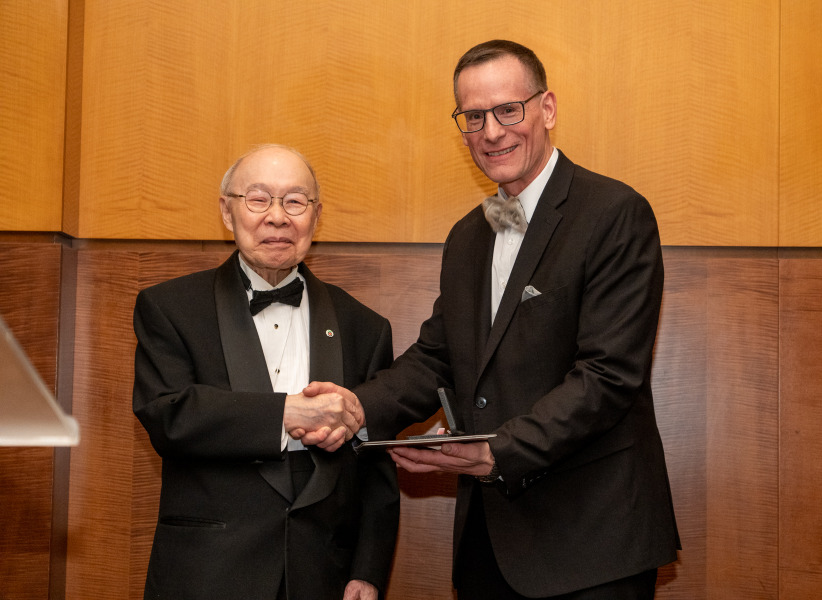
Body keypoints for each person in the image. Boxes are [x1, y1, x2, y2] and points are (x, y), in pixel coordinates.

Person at [308, 40, 680, 599]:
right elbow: (439, 354)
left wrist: (494, 452)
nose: (492, 132)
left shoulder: (612, 213)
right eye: (474, 117)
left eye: (509, 110)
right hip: (490, 546)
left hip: (593, 541)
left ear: (546, 109)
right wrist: (360, 407)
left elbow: (608, 376)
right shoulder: (469, 235)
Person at [132, 144, 399, 600]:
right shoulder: (170, 308)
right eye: (258, 199)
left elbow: (374, 465)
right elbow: (168, 415)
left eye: (295, 201)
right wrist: (286, 414)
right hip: (207, 576)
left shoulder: (365, 327)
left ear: (315, 217)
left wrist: (368, 570)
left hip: (323, 577)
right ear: (227, 211)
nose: (278, 217)